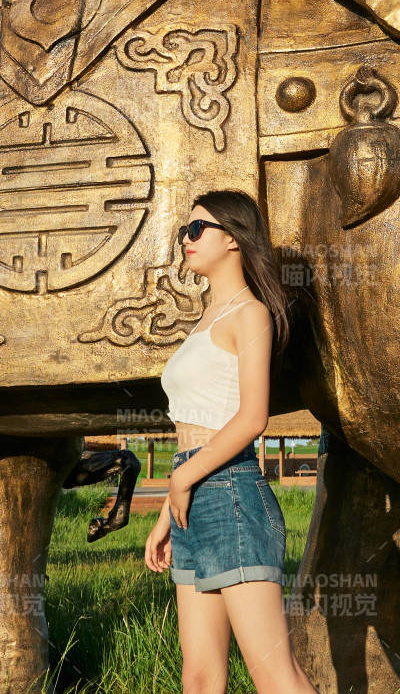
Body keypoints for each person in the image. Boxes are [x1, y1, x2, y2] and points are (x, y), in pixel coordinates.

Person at [144, 189, 318, 694]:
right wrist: (166, 513)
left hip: (232, 495)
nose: (187, 239)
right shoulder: (204, 320)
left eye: (198, 229)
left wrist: (182, 479)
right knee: (198, 677)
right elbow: (194, 429)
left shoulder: (251, 315)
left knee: (274, 675)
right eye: (184, 231)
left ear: (235, 239)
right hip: (193, 498)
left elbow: (250, 419)